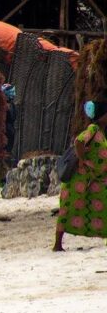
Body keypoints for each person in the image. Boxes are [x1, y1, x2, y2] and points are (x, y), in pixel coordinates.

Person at [54, 97, 107, 252]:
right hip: (80, 180)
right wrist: (82, 159)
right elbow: (78, 142)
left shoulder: (99, 132)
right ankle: (57, 244)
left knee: (102, 205)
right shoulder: (93, 129)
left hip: (93, 180)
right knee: (68, 209)